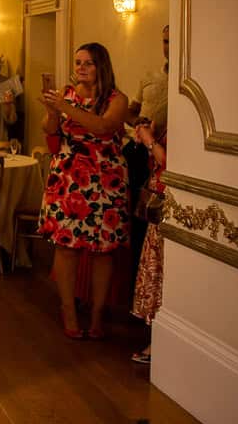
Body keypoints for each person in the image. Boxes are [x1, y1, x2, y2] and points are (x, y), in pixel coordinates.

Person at [38, 42, 129, 340]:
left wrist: (66, 107)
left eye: (88, 63)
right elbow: (50, 130)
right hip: (68, 178)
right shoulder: (66, 95)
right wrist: (53, 111)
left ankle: (98, 312)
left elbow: (104, 126)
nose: (81, 68)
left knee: (103, 250)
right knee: (67, 247)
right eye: (78, 62)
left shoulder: (117, 99)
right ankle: (69, 310)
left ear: (101, 66)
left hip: (106, 180)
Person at [124, 24, 169, 293]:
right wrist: (136, 122)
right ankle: (137, 286)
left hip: (169, 156)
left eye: (174, 41)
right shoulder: (150, 77)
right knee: (139, 220)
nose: (169, 47)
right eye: (165, 41)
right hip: (141, 154)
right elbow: (131, 110)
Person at [131, 122, 166, 365]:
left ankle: (161, 342)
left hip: (168, 207)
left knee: (161, 276)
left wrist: (150, 142)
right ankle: (158, 338)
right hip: (157, 207)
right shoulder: (169, 125)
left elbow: (169, 163)